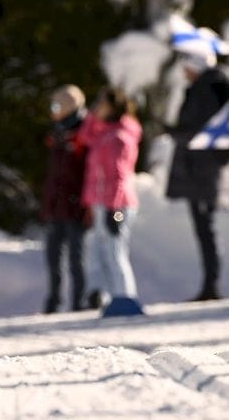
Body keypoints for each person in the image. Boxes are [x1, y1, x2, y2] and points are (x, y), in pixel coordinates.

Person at [167, 49, 229, 301]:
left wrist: (176, 133)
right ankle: (210, 284)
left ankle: (212, 285)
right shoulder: (208, 88)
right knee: (205, 228)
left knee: (206, 228)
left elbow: (201, 131)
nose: (184, 71)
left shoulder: (205, 90)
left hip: (202, 169)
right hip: (203, 168)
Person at [77, 86, 142, 309]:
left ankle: (125, 297)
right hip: (101, 203)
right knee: (99, 250)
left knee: (115, 249)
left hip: (117, 205)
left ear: (113, 107)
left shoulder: (119, 136)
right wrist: (92, 116)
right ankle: (102, 295)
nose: (98, 107)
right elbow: (84, 137)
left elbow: (118, 176)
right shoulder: (103, 133)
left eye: (102, 104)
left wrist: (114, 209)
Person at [40, 85, 89, 313]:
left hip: (76, 205)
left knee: (76, 259)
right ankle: (54, 302)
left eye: (57, 106)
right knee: (53, 257)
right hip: (56, 205)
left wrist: (86, 204)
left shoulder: (85, 132)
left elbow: (87, 172)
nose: (53, 111)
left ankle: (79, 302)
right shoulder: (57, 133)